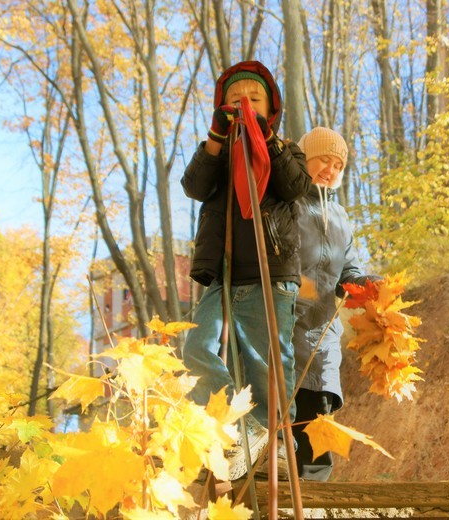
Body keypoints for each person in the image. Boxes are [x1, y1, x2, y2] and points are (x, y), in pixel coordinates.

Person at [181, 60, 310, 480]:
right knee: (197, 348)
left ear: (270, 107)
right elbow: (194, 187)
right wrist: (218, 137)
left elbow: (295, 186)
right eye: (235, 100)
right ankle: (241, 428)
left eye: (254, 99)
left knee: (267, 366)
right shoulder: (216, 154)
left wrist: (265, 137)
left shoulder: (286, 148)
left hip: (270, 272)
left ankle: (276, 453)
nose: (244, 105)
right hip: (223, 274)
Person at [291, 127, 381, 481]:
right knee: (275, 424)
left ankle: (312, 504)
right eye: (324, 160)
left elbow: (349, 271)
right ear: (304, 159)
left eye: (338, 164)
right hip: (282, 331)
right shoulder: (287, 205)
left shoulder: (342, 217)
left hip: (323, 338)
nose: (330, 169)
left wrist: (365, 285)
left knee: (319, 430)